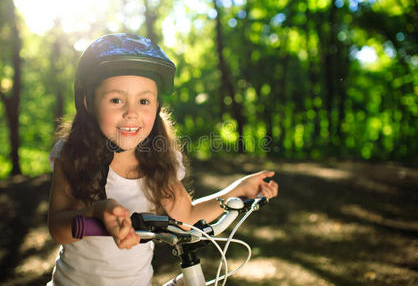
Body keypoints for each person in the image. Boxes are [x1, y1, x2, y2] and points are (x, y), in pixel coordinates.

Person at [47, 33, 279, 286]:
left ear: (157, 107)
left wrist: (239, 190)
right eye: (116, 100)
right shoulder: (73, 155)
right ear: (87, 102)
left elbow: (186, 218)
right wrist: (94, 212)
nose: (132, 113)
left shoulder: (159, 160)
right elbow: (58, 228)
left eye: (144, 101)